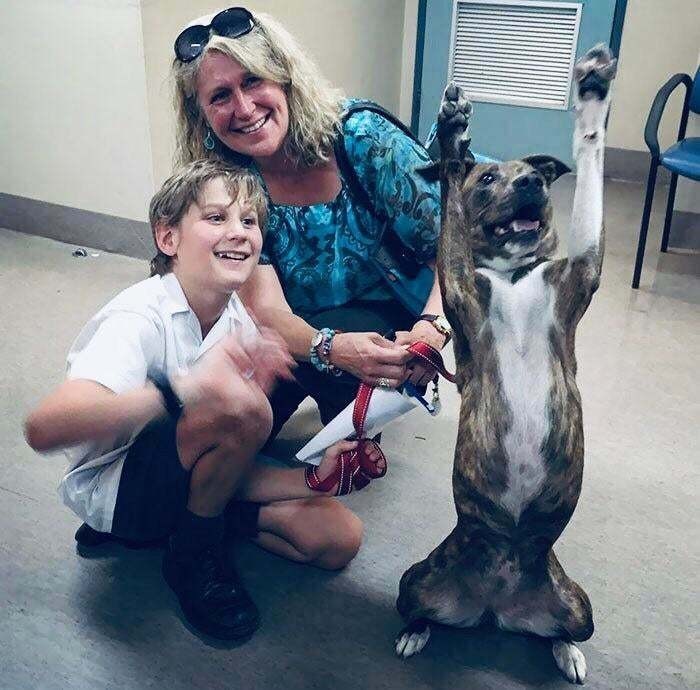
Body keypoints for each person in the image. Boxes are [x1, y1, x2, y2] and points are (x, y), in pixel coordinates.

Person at [24, 160, 383, 641]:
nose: (239, 232)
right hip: (120, 487)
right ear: (168, 238)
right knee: (242, 407)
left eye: (249, 221)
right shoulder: (138, 317)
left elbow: (229, 454)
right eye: (216, 217)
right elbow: (43, 429)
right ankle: (191, 554)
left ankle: (189, 523)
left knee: (338, 538)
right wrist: (183, 388)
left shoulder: (236, 318)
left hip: (193, 476)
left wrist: (314, 480)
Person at [170, 7, 453, 440]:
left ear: (284, 78)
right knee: (216, 431)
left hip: (385, 311)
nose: (244, 108)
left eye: (253, 80)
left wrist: (431, 329)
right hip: (292, 326)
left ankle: (346, 410)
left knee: (344, 425)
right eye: (220, 96)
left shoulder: (363, 137)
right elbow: (266, 309)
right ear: (202, 116)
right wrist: (332, 349)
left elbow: (454, 246)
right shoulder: (228, 180)